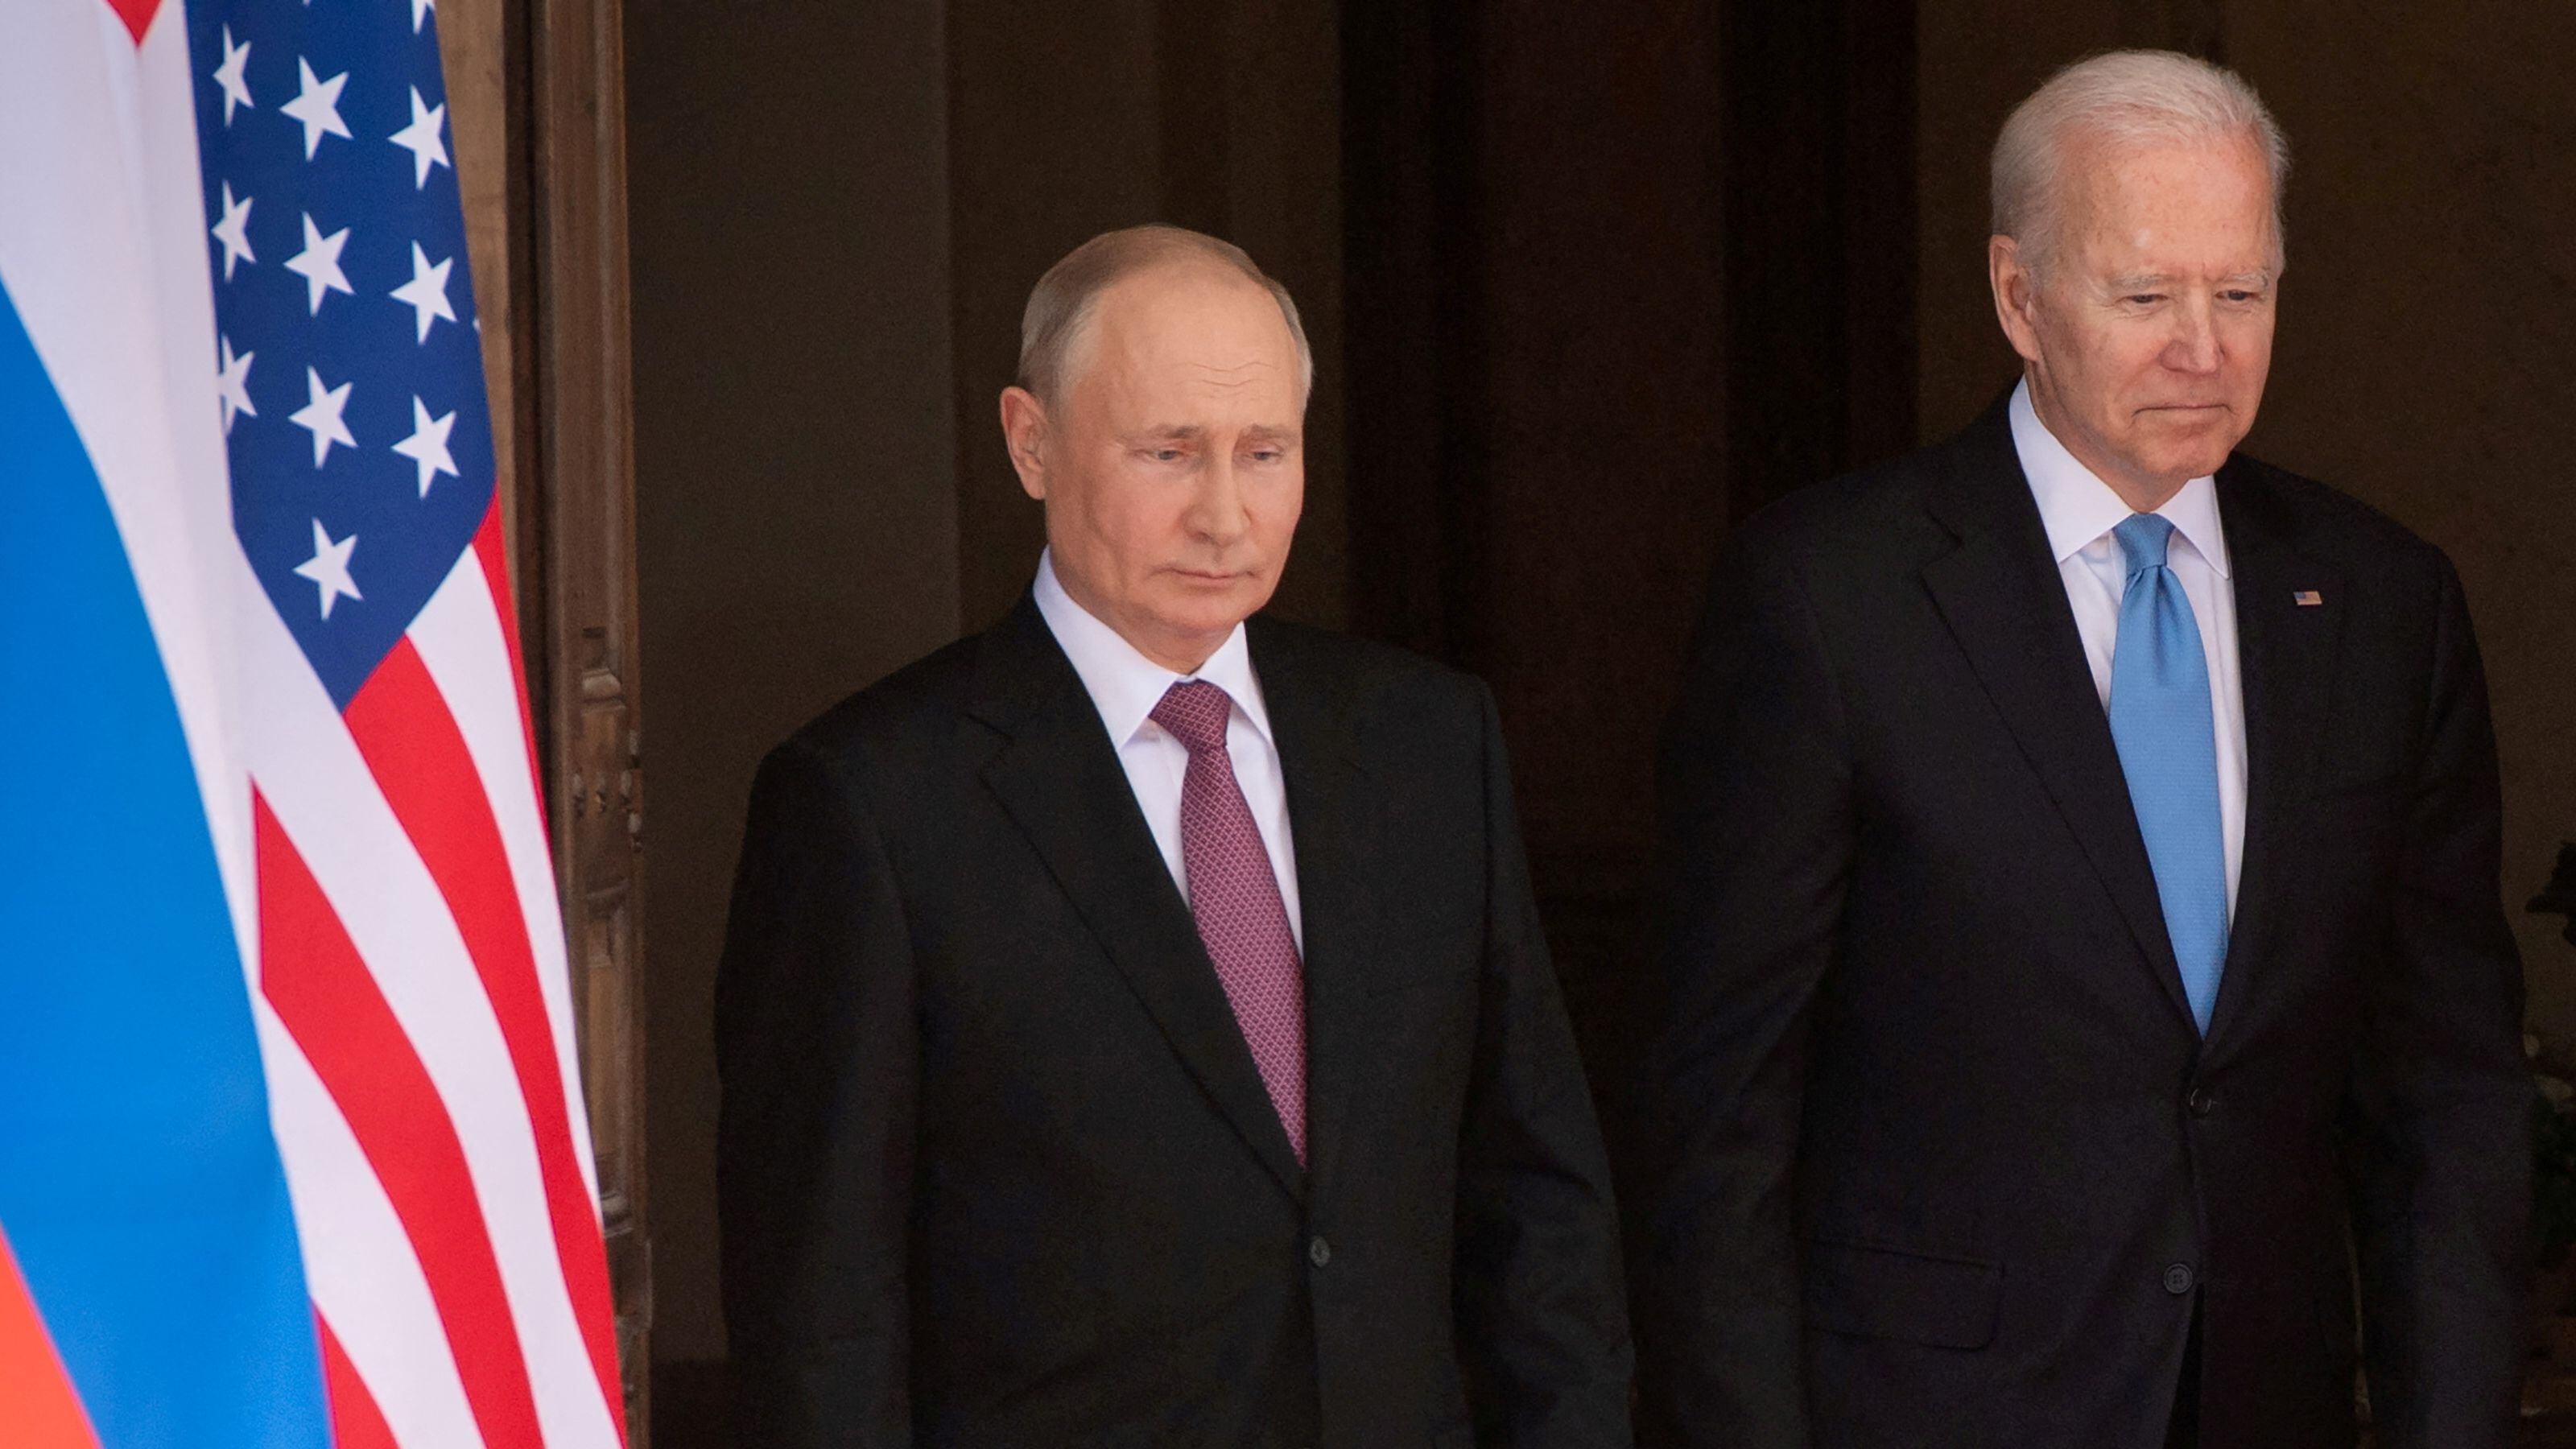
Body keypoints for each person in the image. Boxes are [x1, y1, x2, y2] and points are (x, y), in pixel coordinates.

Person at [1643, 51, 2529, 1449]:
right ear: (2019, 296)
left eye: (2241, 294)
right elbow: (1719, 1116)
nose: (2204, 348)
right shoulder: (1829, 599)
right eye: (2145, 295)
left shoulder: (2381, 603)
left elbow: (2447, 1096)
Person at [716, 225, 1633, 1446]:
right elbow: (824, 1317)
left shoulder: (1425, 743)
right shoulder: (871, 802)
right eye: (1168, 453)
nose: (1225, 516)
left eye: (1265, 452)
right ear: (1030, 442)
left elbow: (1538, 1198)